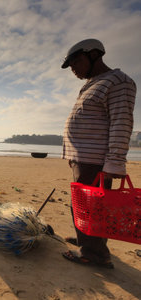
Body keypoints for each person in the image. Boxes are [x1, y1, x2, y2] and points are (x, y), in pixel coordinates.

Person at [60, 39, 136, 269]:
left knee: (93, 208)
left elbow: (121, 123)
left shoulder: (118, 81)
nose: (73, 69)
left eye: (76, 62)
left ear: (94, 54)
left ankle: (94, 254)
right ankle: (87, 241)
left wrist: (114, 163)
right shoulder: (93, 83)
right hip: (83, 158)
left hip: (96, 161)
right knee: (82, 205)